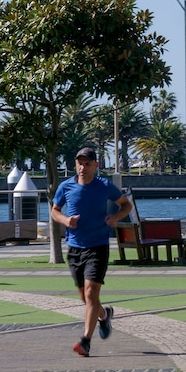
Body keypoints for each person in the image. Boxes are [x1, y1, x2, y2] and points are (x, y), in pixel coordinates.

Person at [51, 146, 132, 357]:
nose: (82, 167)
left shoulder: (105, 186)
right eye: (79, 163)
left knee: (90, 293)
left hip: (98, 246)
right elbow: (54, 211)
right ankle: (104, 315)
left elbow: (126, 205)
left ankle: (85, 341)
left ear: (96, 166)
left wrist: (115, 218)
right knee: (85, 298)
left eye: (87, 164)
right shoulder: (66, 187)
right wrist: (66, 221)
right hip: (75, 247)